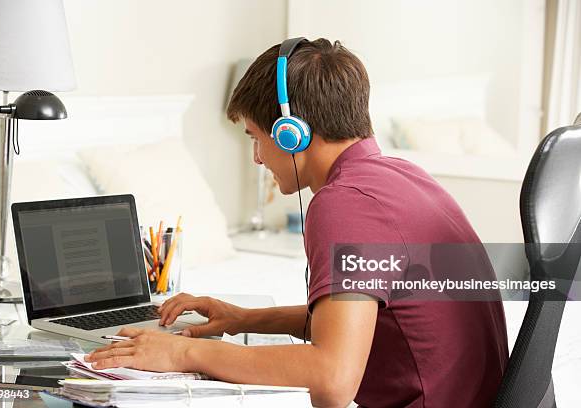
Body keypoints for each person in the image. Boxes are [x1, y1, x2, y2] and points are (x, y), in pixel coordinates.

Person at [86, 38, 509, 407]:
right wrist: (242, 318)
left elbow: (331, 382)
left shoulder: (346, 204)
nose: (256, 157)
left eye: (255, 137)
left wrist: (180, 355)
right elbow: (364, 319)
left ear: (292, 133)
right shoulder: (399, 177)